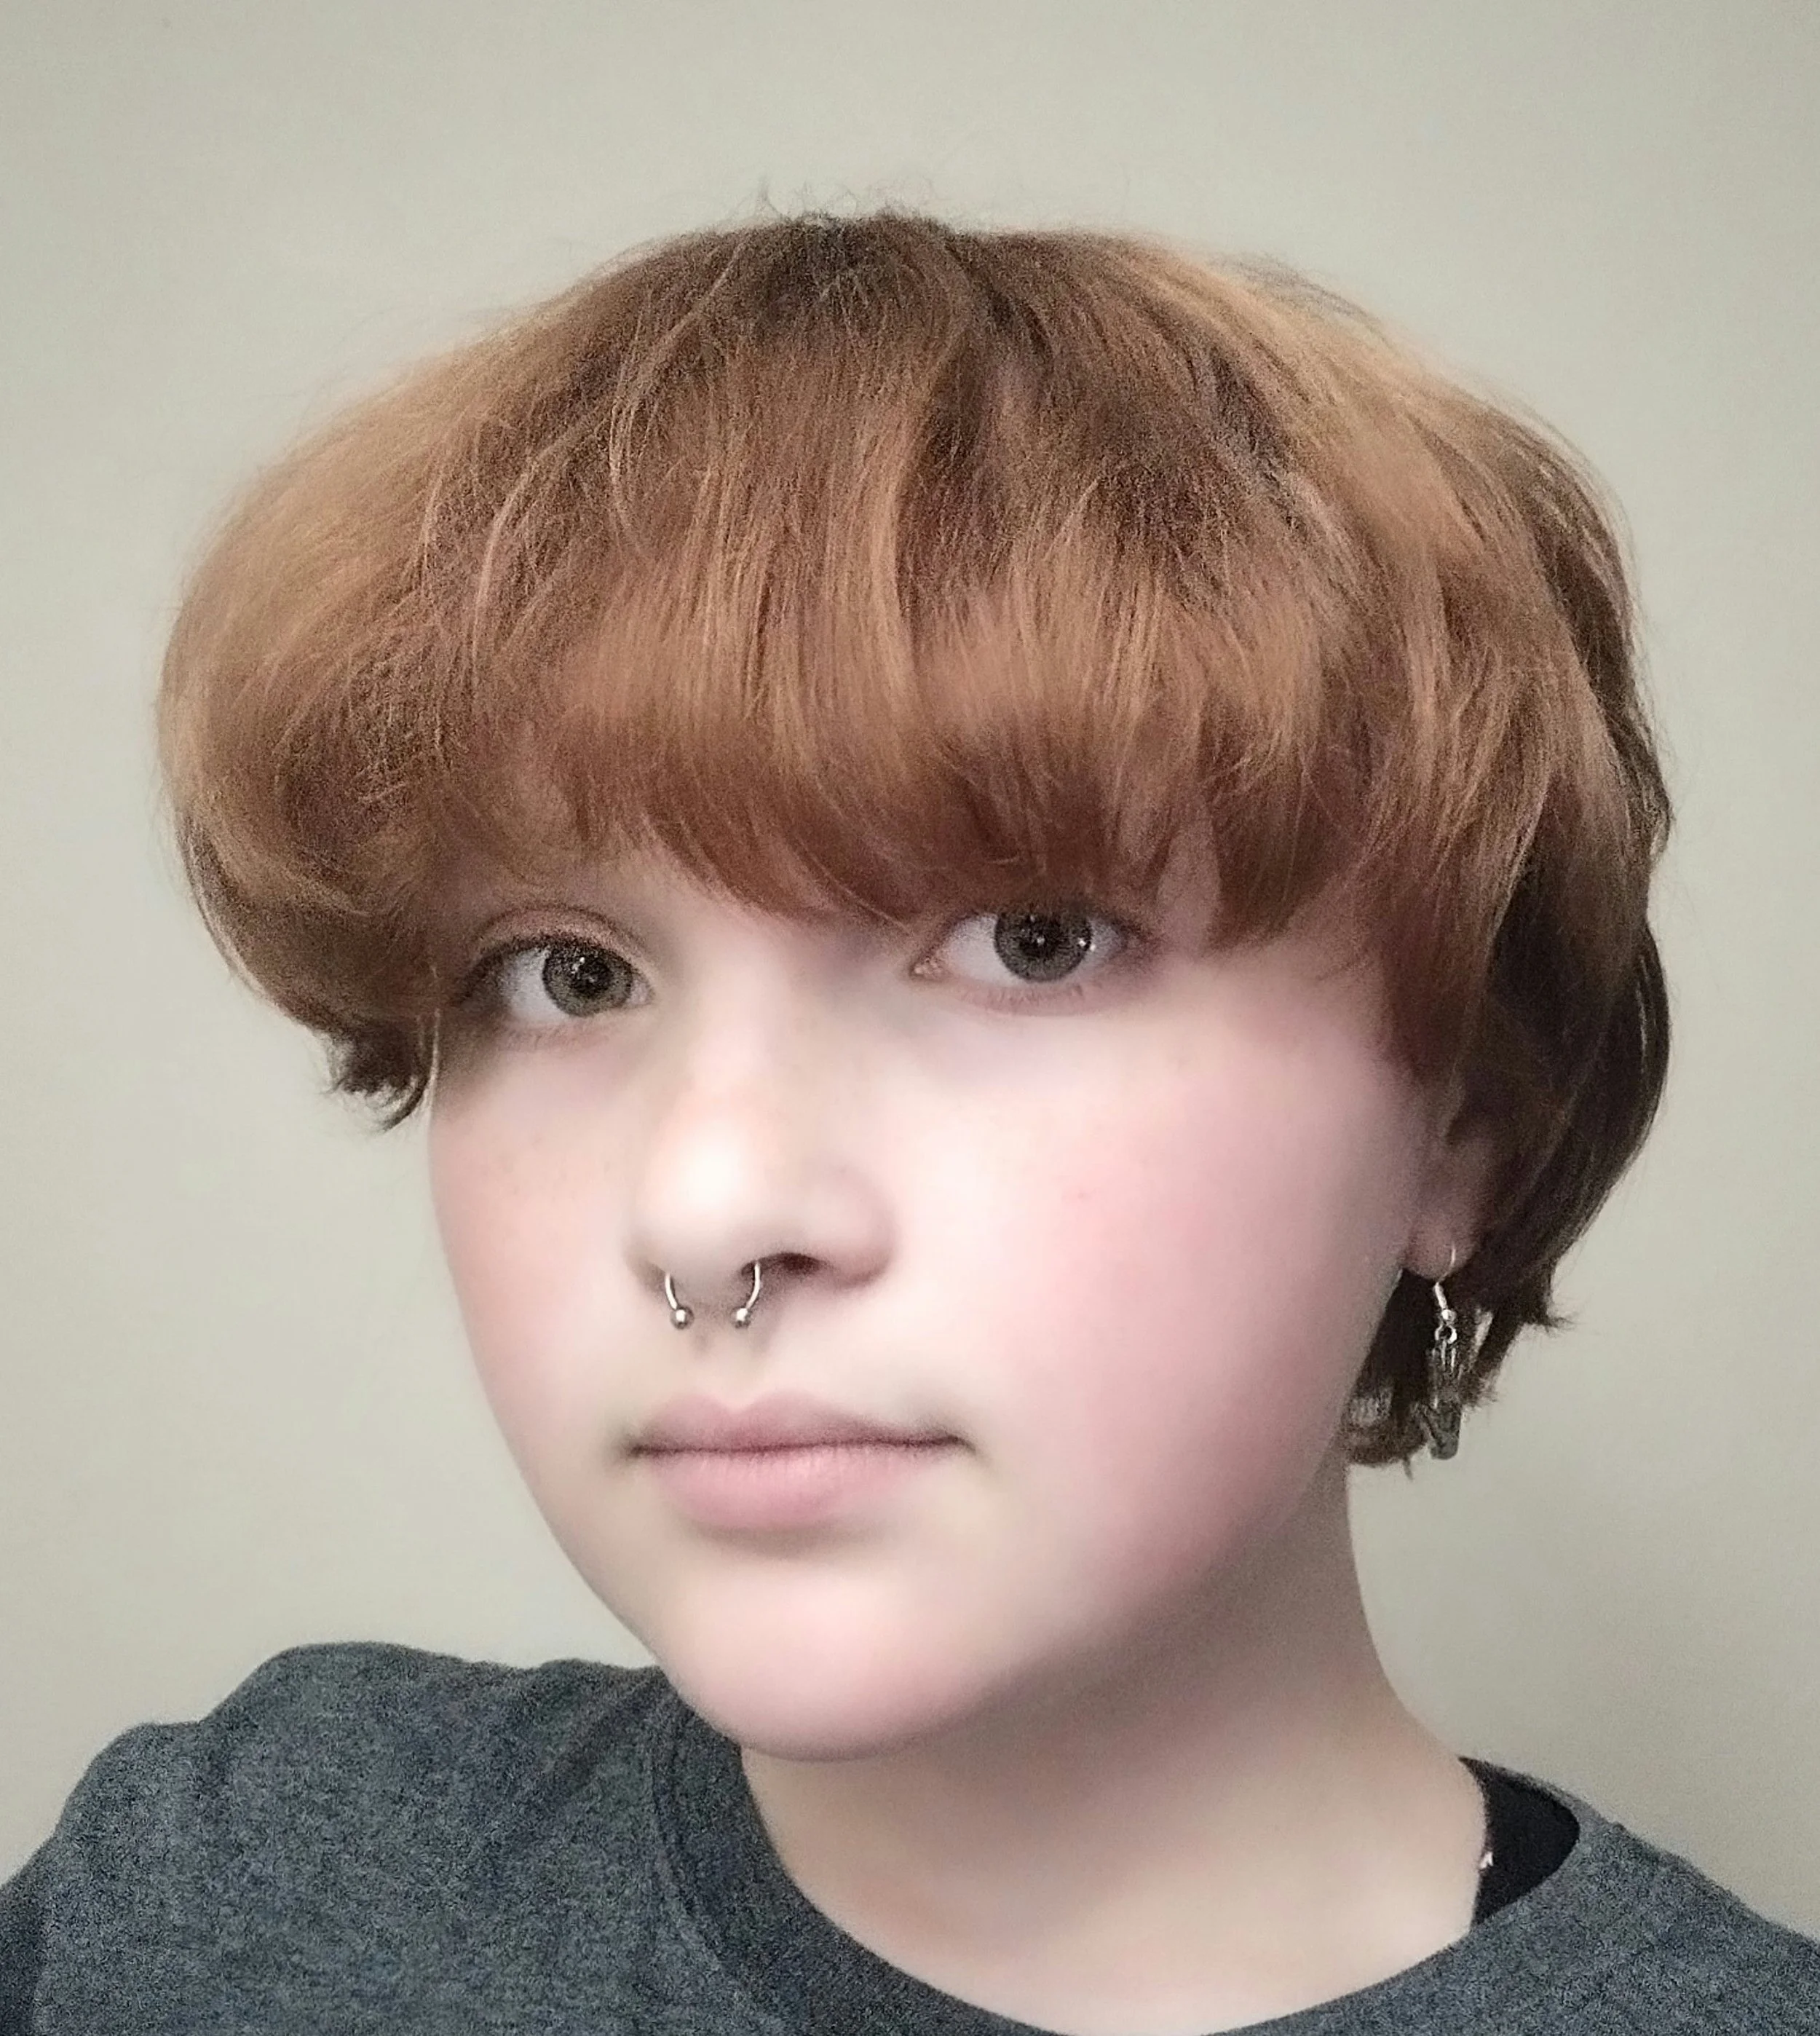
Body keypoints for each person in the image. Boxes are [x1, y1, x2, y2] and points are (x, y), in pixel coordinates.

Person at [3, 211, 1814, 2035]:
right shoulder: (215, 1900)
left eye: (1032, 943)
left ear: (1464, 1132)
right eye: (565, 975)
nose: (704, 1208)